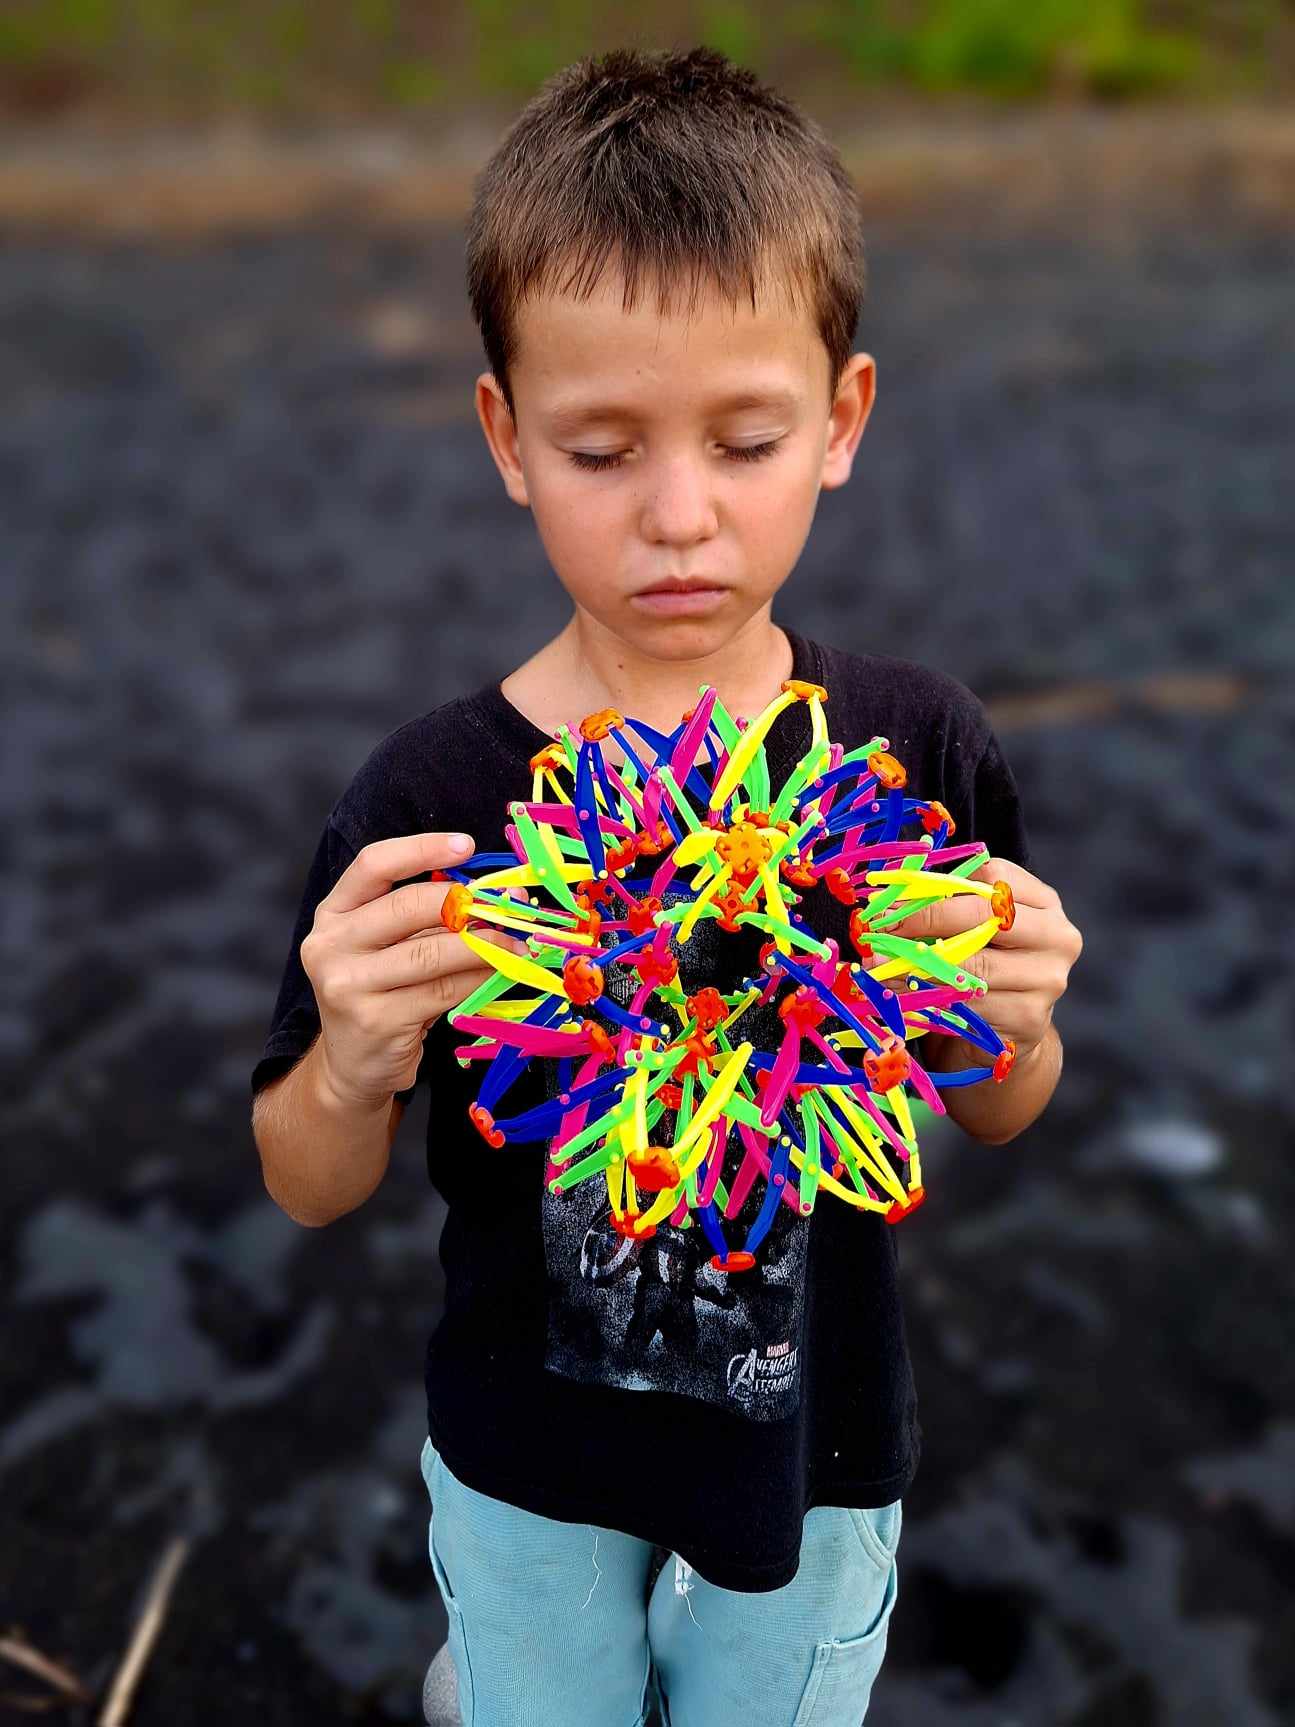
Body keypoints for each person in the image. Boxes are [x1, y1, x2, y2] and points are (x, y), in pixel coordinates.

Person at [250, 45, 1083, 1727]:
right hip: (523, 1451)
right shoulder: (429, 799)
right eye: (603, 448)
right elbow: (304, 1176)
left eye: (748, 436)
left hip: (819, 1448)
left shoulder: (916, 750)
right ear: (507, 438)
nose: (680, 517)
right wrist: (346, 1060)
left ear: (842, 420)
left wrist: (1021, 1020)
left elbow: (1001, 1107)